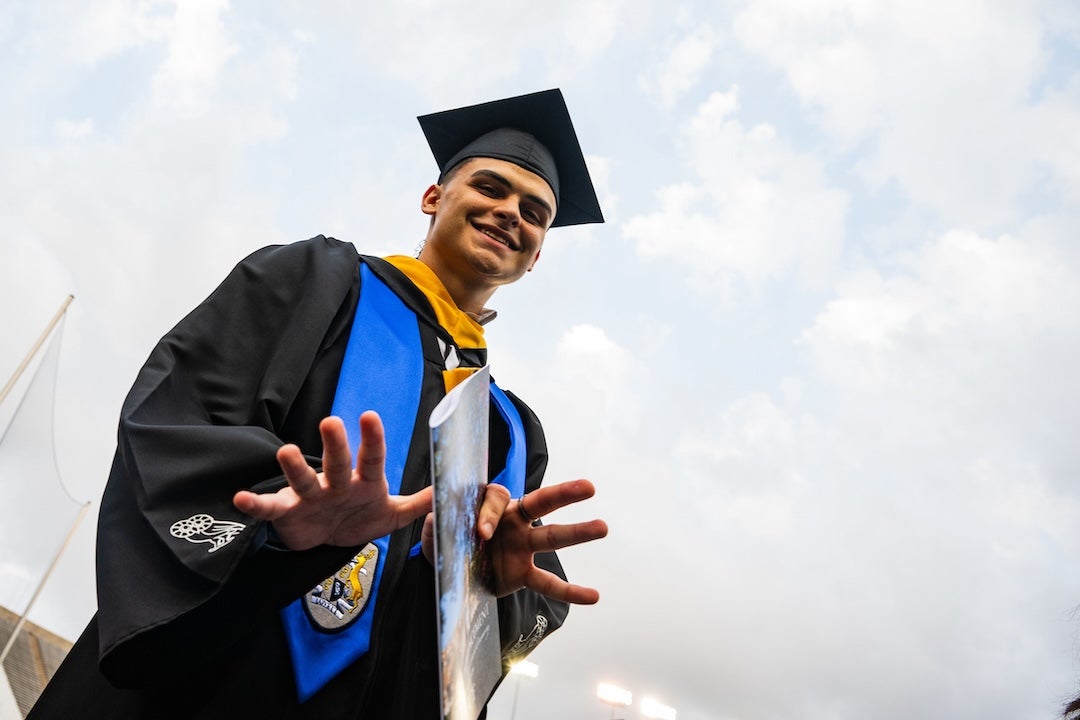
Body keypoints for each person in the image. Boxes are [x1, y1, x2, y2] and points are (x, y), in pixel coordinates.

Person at [28, 89, 608, 719]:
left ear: (539, 253)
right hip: (204, 682)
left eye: (534, 211)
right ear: (433, 197)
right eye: (490, 188)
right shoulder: (314, 282)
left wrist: (483, 577)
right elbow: (179, 414)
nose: (509, 213)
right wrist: (280, 524)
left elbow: (491, 625)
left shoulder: (509, 431)